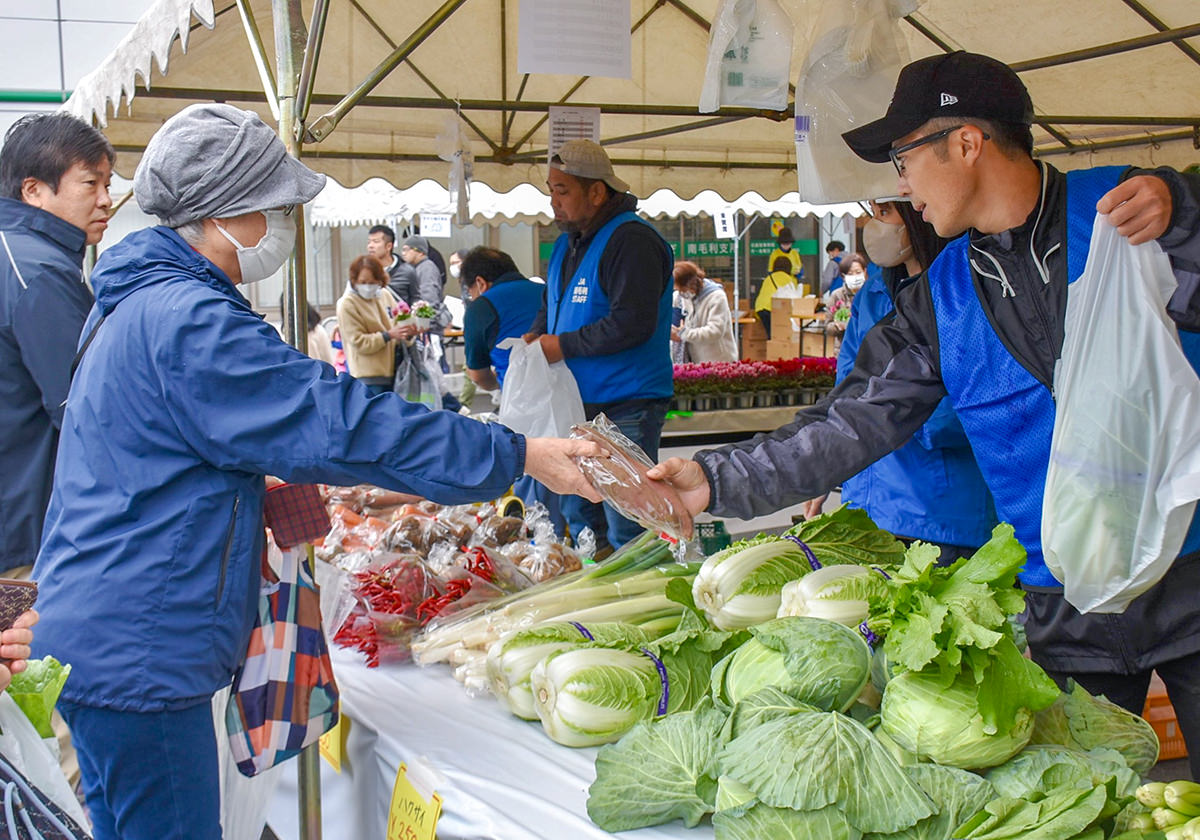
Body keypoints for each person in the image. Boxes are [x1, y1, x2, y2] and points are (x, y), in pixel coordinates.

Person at [30, 103, 603, 840]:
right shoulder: (187, 320)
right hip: (140, 647)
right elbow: (345, 421)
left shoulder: (135, 303)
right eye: (275, 205)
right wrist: (518, 454)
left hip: (104, 630)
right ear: (225, 212)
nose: (285, 221)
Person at [645, 51, 1200, 779]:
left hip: (1190, 575)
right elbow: (851, 421)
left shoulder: (1126, 211)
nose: (899, 184)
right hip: (1065, 602)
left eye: (905, 157)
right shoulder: (942, 296)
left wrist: (1186, 212)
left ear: (968, 143)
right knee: (1089, 800)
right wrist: (715, 480)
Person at [805, 200, 996, 562]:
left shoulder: (970, 287)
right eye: (874, 212)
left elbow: (984, 401)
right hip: (867, 509)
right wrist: (825, 462)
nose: (875, 225)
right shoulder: (872, 292)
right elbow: (847, 388)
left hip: (941, 514)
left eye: (886, 213)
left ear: (919, 214)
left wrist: (897, 420)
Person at [524, 138, 674, 551]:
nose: (554, 201)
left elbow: (632, 323)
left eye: (562, 191)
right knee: (581, 514)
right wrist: (537, 335)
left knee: (627, 518)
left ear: (596, 191)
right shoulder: (567, 243)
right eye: (551, 190)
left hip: (625, 405)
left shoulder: (631, 241)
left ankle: (638, 602)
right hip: (574, 404)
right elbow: (549, 302)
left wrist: (562, 346)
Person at [0, 112, 113, 578]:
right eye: (90, 184)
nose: (106, 200)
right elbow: (83, 408)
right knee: (28, 650)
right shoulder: (39, 272)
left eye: (108, 183)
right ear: (34, 190)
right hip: (25, 528)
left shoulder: (18, 254)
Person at [461, 246, 543, 393]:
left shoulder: (481, 307)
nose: (471, 297)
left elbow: (478, 375)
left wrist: (497, 384)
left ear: (480, 283)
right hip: (569, 389)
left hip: (520, 398)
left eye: (470, 291)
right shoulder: (548, 291)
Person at [336, 254, 414, 395]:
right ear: (354, 281)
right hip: (366, 376)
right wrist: (388, 335)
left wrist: (409, 332)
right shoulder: (347, 304)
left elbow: (398, 325)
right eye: (363, 282)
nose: (368, 287)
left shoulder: (384, 295)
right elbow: (358, 342)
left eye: (372, 282)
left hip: (393, 373)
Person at [671, 260, 737, 362]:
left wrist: (684, 334)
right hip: (694, 360)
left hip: (718, 360)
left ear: (690, 285)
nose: (680, 293)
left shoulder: (716, 297)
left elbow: (715, 331)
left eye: (682, 290)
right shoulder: (680, 297)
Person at [401, 234, 452, 334]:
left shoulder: (427, 269)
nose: (403, 253)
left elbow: (429, 301)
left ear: (420, 252)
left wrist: (426, 324)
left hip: (429, 330)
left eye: (407, 250)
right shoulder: (418, 268)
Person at [824, 251, 868, 350]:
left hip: (868, 349)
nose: (855, 276)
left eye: (858, 272)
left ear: (864, 272)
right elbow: (827, 326)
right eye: (850, 274)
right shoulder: (837, 295)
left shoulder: (871, 294)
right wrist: (839, 326)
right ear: (843, 276)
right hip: (844, 348)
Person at [367, 223, 417, 304]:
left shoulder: (407, 271)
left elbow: (416, 300)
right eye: (369, 242)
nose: (370, 246)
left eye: (376, 242)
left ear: (389, 246)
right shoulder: (364, 271)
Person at [754, 255, 798, 339]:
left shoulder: (768, 278)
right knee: (777, 336)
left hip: (760, 308)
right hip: (773, 308)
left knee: (771, 335)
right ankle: (775, 351)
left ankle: (773, 350)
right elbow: (792, 297)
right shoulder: (788, 278)